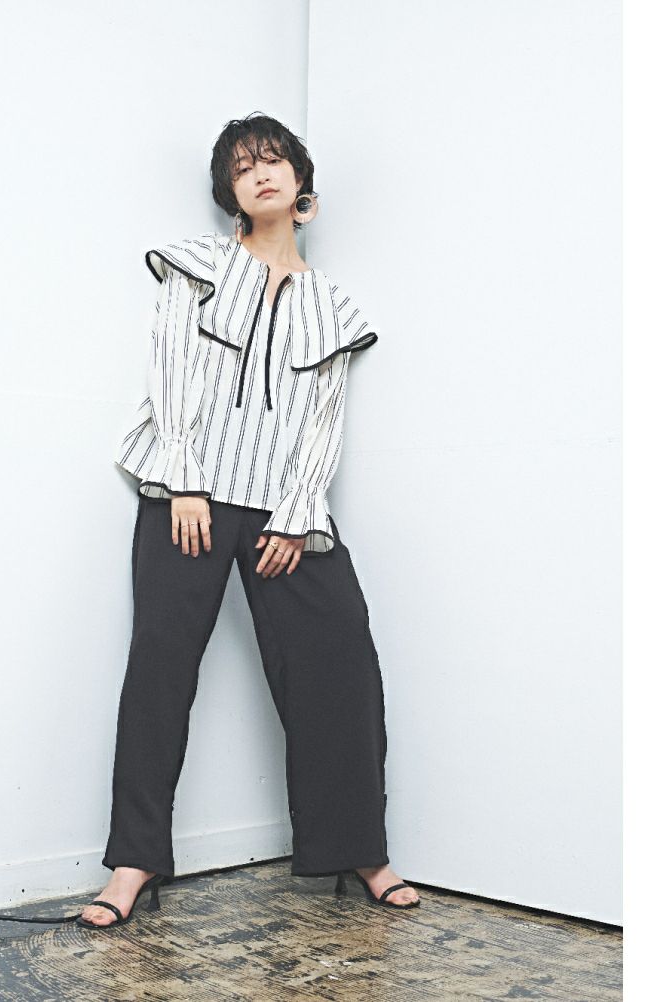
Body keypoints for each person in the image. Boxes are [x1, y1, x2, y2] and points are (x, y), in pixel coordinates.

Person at [79, 114, 420, 930]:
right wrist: (186, 479)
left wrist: (298, 513)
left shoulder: (332, 305)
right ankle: (133, 863)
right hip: (186, 498)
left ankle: (359, 850)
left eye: (273, 160)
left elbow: (324, 417)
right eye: (242, 167)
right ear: (229, 193)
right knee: (161, 671)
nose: (260, 172)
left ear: (300, 182)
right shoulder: (196, 266)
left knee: (340, 662)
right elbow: (170, 367)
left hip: (283, 510)